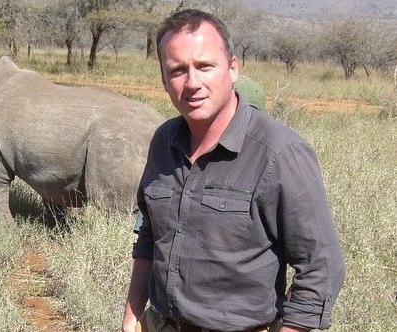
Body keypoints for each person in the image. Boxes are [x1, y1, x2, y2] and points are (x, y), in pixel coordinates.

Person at [122, 9, 345, 332]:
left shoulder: (280, 154)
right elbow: (150, 235)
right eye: (178, 70)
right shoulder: (163, 142)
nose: (192, 83)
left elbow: (321, 269)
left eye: (205, 66)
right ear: (163, 79)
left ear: (233, 68)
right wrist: (132, 317)